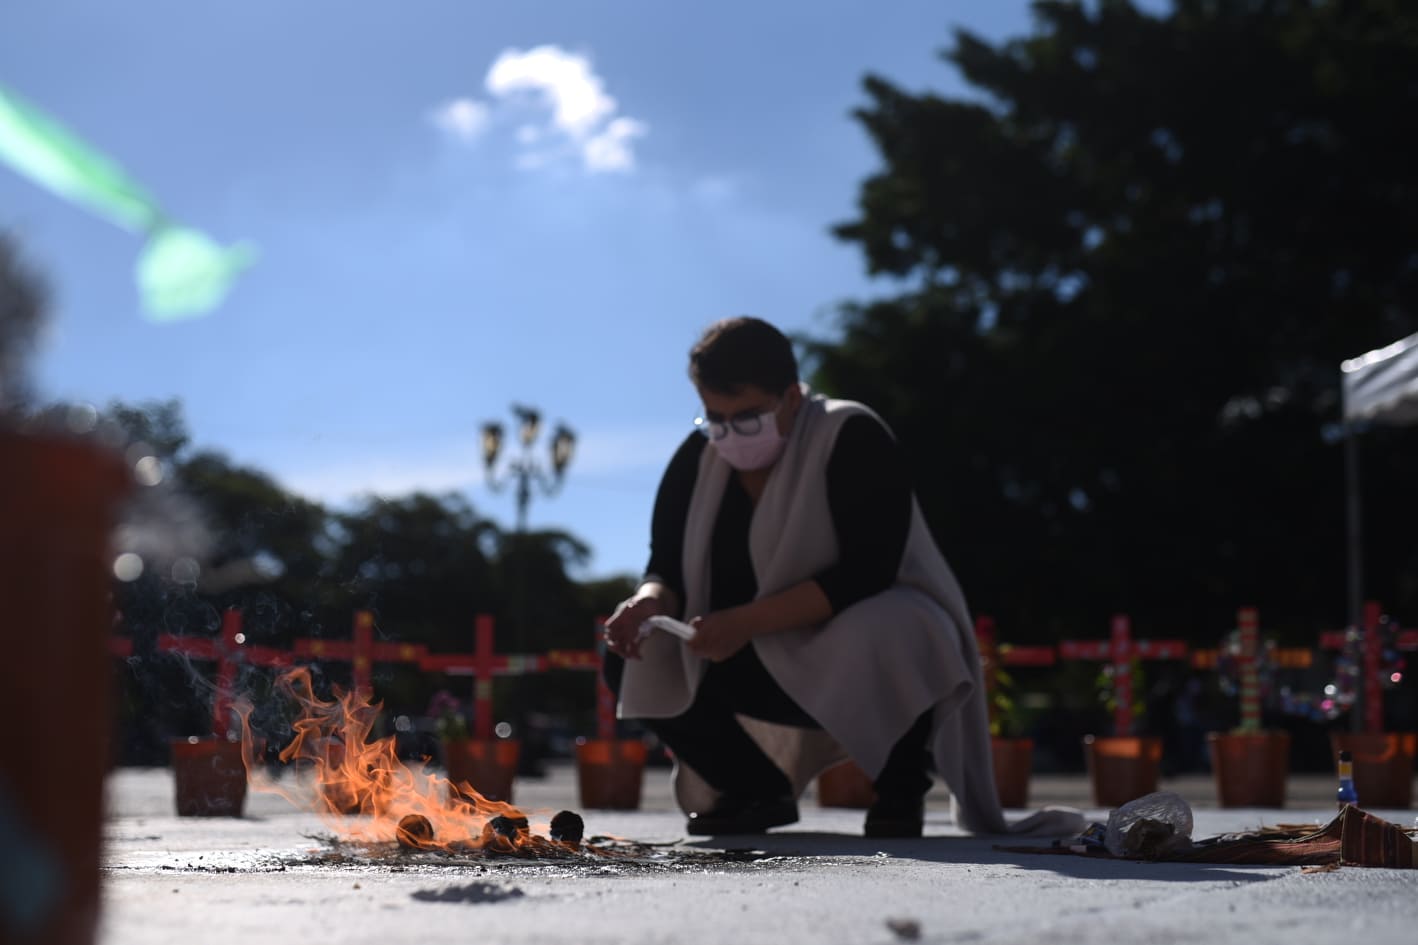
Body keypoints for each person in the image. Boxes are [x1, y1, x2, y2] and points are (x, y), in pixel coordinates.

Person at [603, 316, 1078, 839]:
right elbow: (665, 562)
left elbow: (869, 569)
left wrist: (747, 621)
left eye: (748, 416)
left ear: (789, 396)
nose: (730, 435)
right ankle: (754, 789)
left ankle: (900, 789)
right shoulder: (697, 458)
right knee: (633, 653)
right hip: (742, 661)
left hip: (845, 649)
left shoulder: (850, 433)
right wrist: (649, 602)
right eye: (715, 418)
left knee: (903, 623)